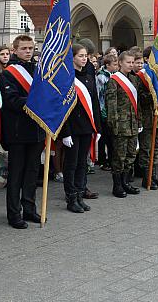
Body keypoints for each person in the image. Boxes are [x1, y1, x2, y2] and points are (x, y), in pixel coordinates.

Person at [0, 35, 45, 228]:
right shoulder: (8, 74)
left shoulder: (38, 70)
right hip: (18, 130)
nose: (28, 51)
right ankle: (13, 213)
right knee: (16, 173)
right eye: (24, 48)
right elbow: (11, 100)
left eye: (30, 48)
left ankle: (29, 208)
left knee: (32, 172)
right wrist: (35, 102)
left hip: (37, 129)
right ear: (15, 50)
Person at [59, 44, 98, 212]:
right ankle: (71, 197)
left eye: (86, 56)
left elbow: (94, 103)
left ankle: (80, 194)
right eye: (81, 55)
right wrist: (65, 132)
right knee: (71, 164)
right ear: (72, 57)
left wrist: (98, 127)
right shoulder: (66, 78)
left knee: (83, 163)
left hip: (86, 127)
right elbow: (63, 107)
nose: (84, 58)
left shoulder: (89, 76)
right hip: (72, 127)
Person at [105, 51, 142, 197]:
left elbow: (137, 103)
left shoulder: (134, 79)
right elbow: (111, 104)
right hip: (120, 124)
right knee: (119, 156)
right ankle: (117, 185)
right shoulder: (114, 80)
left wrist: (138, 120)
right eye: (128, 62)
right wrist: (113, 125)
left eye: (133, 62)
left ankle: (126, 183)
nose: (131, 65)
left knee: (131, 155)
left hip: (133, 124)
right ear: (120, 63)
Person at [136, 46, 158, 190]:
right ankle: (146, 177)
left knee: (156, 149)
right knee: (146, 149)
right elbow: (140, 99)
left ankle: (153, 174)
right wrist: (154, 93)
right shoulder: (140, 77)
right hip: (148, 119)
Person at [95, 53, 118, 171]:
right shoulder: (101, 76)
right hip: (103, 109)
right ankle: (103, 160)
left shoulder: (114, 75)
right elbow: (100, 94)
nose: (116, 66)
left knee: (110, 137)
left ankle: (110, 159)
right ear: (107, 65)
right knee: (104, 137)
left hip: (110, 109)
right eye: (114, 64)